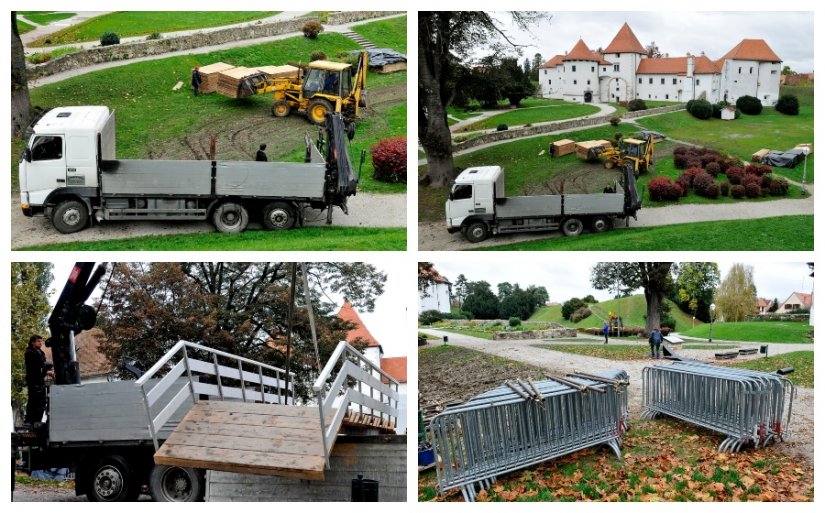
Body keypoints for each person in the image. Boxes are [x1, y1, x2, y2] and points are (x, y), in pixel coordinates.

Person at [24, 335, 53, 425]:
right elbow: (35, 367)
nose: (40, 343)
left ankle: (38, 421)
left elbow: (43, 364)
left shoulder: (41, 352)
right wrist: (46, 371)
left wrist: (48, 367)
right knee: (33, 401)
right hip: (33, 380)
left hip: (40, 380)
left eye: (41, 341)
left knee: (42, 401)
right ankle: (30, 421)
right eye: (38, 341)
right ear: (33, 342)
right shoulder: (29, 353)